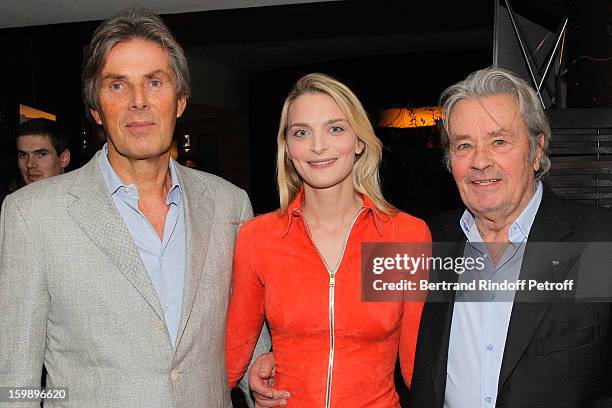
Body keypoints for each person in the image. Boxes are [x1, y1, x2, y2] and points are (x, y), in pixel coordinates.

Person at [0, 8, 268, 407]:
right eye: (118, 86)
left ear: (179, 101)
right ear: (95, 109)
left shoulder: (230, 204)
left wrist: (260, 378)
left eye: (154, 82)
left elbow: (247, 338)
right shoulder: (32, 215)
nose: (138, 101)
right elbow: (17, 381)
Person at [409, 67, 612, 407]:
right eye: (463, 145)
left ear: (536, 150)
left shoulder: (600, 242)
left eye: (499, 141)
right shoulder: (425, 242)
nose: (480, 161)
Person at [225, 73, 431, 408]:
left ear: (359, 141)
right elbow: (232, 356)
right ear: (288, 148)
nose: (317, 146)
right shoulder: (259, 238)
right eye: (301, 132)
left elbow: (415, 367)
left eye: (335, 129)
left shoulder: (401, 236)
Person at [16, 118, 70, 185]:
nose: (30, 164)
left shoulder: (83, 193)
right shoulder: (15, 195)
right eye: (23, 155)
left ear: (64, 158)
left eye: (41, 154)